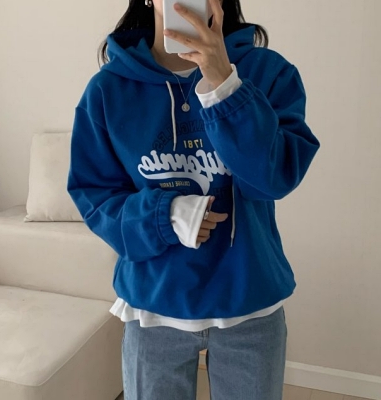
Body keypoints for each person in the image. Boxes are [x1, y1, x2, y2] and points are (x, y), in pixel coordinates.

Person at [67, 0, 320, 398]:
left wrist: (224, 83)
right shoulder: (107, 90)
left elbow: (274, 179)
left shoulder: (268, 73)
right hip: (153, 305)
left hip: (249, 298)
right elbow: (95, 197)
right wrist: (163, 216)